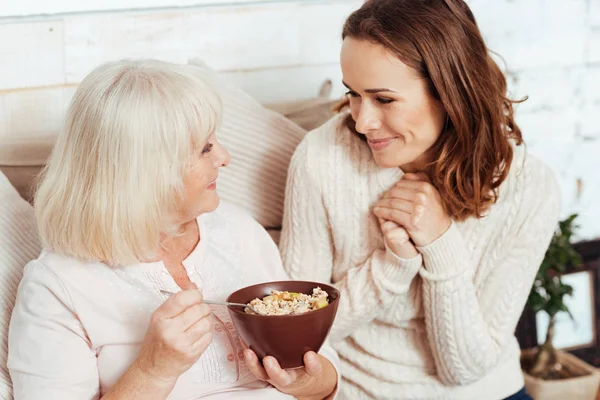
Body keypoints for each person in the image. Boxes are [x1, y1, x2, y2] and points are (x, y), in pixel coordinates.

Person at [7, 59, 339, 400]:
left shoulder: (239, 229)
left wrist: (304, 382)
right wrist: (153, 370)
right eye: (205, 148)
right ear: (148, 173)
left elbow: (325, 378)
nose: (224, 157)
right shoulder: (58, 287)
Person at [279, 1, 559, 399]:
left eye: (384, 99)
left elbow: (465, 369)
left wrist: (441, 247)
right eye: (353, 94)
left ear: (450, 92)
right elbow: (297, 330)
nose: (362, 122)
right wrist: (394, 264)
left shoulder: (530, 187)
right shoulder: (321, 157)